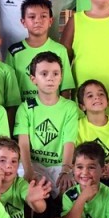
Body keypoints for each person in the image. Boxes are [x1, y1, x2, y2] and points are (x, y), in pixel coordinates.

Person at [14, 52, 80, 193]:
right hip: (33, 164)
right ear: (33, 79)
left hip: (59, 165)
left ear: (61, 77)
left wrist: (66, 169)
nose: (50, 78)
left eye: (55, 74)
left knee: (71, 187)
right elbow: (23, 142)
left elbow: (69, 141)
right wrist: (28, 170)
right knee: (21, 184)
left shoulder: (70, 107)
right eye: (44, 74)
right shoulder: (26, 107)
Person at [4, 0, 76, 102]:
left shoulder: (60, 50)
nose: (38, 21)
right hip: (23, 111)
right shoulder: (14, 51)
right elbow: (9, 87)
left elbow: (65, 87)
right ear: (23, 22)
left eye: (43, 16)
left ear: (50, 21)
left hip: (52, 110)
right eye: (32, 17)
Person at [75, 79, 109, 194]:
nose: (96, 97)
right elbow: (75, 157)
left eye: (101, 94)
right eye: (90, 96)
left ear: (108, 102)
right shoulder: (78, 126)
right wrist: (93, 170)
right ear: (82, 106)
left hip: (108, 172)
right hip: (86, 172)